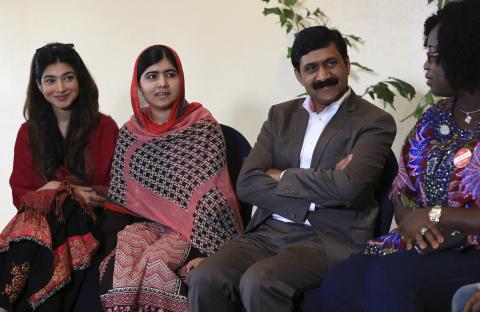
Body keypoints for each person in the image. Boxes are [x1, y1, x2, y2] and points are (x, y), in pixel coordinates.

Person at [187, 25, 396, 312]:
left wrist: (282, 175)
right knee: (205, 277)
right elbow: (247, 183)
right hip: (269, 231)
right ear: (298, 75)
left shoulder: (374, 121)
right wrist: (324, 185)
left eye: (331, 63)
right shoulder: (280, 115)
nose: (322, 76)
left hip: (329, 238)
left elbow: (350, 188)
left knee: (259, 282)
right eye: (311, 68)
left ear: (347, 64)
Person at [318, 1, 480, 311]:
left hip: (472, 252)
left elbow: (426, 212)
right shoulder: (434, 118)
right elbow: (402, 195)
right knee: (339, 283)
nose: (426, 65)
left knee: (392, 280)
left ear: (465, 54)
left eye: (434, 55)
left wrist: (434, 216)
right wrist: (413, 224)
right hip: (424, 244)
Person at [97, 45, 244, 312]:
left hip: (192, 233)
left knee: (157, 260)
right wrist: (112, 247)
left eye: (170, 74)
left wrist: (205, 254)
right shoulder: (130, 135)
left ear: (181, 79)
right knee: (124, 258)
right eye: (152, 76)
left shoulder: (202, 127)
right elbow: (119, 202)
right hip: (144, 228)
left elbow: (211, 200)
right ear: (139, 85)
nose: (162, 83)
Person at [0, 43, 119, 311]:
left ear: (80, 80)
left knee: (63, 205)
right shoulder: (28, 133)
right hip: (43, 228)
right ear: (39, 87)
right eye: (50, 80)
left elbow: (116, 188)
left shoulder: (104, 127)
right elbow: (21, 194)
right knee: (42, 214)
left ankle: (5, 303)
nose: (61, 88)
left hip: (92, 222)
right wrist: (62, 191)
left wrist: (63, 191)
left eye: (68, 77)